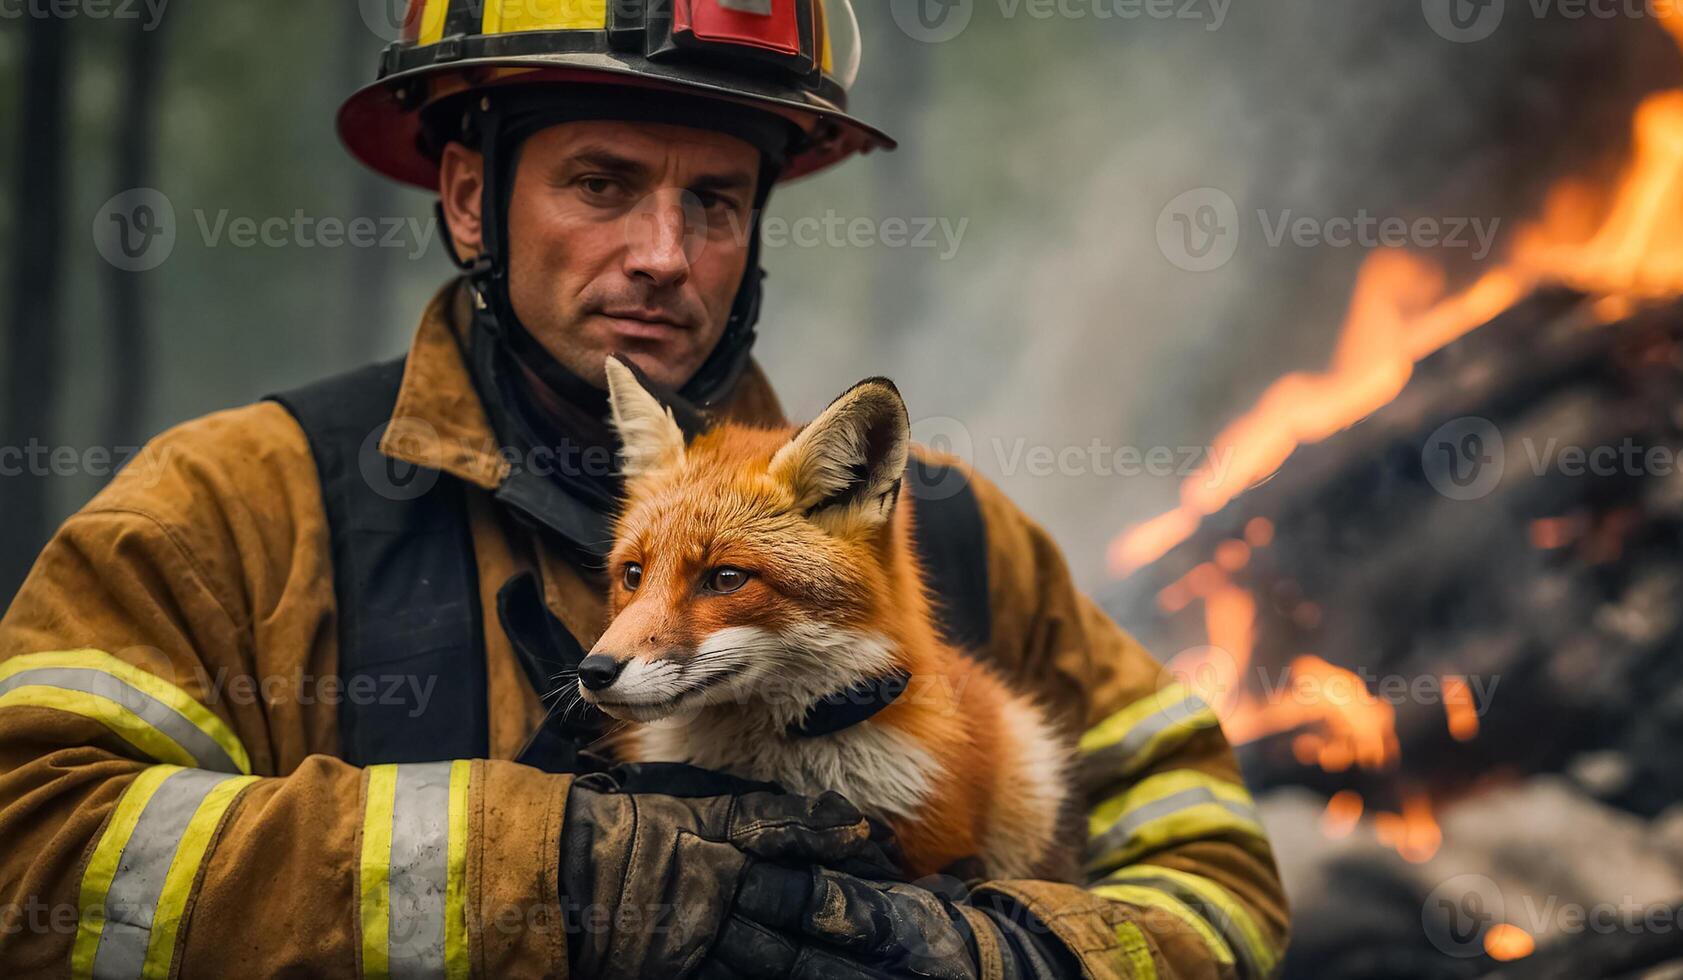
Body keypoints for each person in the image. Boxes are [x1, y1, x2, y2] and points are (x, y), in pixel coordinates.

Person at [0, 3, 1287, 977]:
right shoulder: (241, 504)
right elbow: (32, 847)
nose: (664, 256)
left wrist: (1027, 953)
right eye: (602, 184)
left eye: (715, 200)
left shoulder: (942, 527)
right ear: (470, 197)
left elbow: (1216, 860)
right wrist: (545, 873)